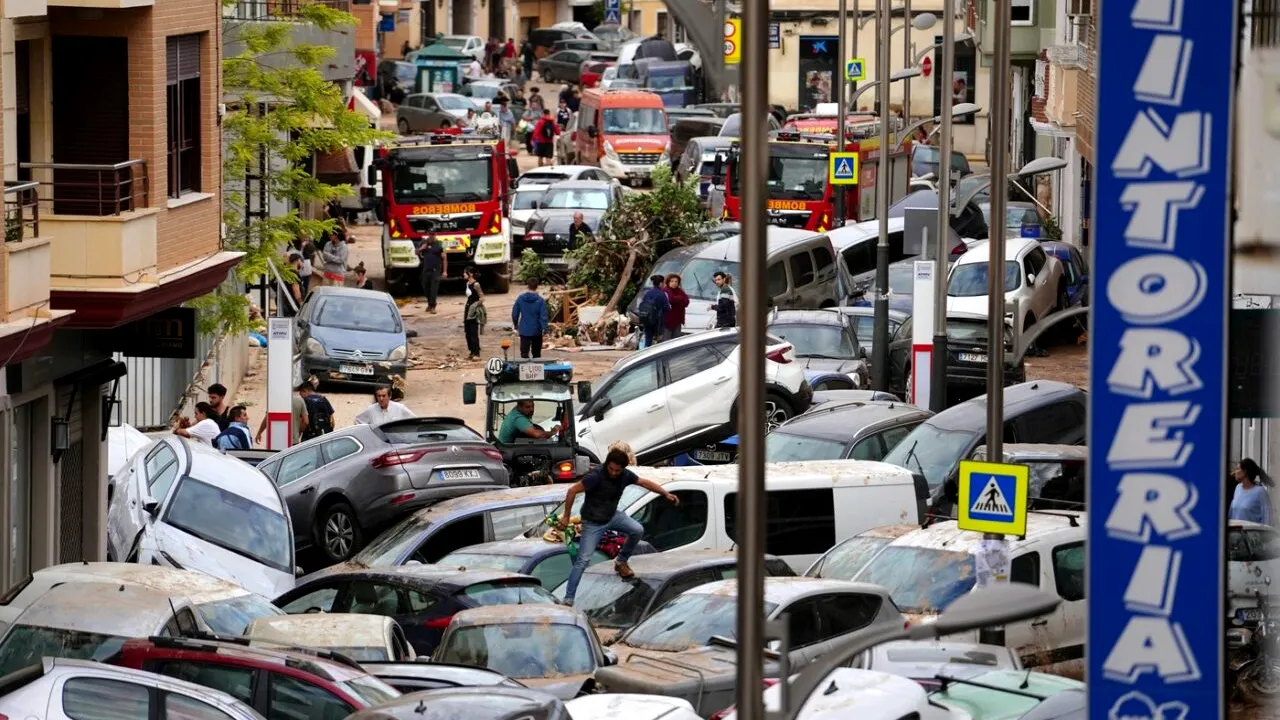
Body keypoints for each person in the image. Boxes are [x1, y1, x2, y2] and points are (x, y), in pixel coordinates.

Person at [558, 448, 680, 605]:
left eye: (618, 470)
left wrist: (665, 493)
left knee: (637, 530)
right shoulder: (596, 476)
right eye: (611, 469)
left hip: (612, 516)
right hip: (593, 522)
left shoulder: (625, 475)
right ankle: (568, 598)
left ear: (623, 468)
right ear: (607, 464)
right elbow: (572, 490)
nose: (614, 473)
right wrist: (567, 516)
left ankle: (621, 561)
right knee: (583, 560)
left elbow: (643, 482)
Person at [512, 278, 549, 359]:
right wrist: (545, 330)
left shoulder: (520, 298)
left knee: (524, 354)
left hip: (524, 331)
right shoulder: (540, 300)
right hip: (537, 331)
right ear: (537, 287)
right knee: (536, 355)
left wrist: (516, 326)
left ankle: (524, 370)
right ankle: (536, 371)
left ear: (527, 286)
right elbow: (544, 317)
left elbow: (515, 314)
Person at [497, 399, 561, 444]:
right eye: (527, 407)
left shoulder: (521, 412)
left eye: (532, 406)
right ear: (519, 407)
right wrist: (553, 432)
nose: (531, 409)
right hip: (508, 450)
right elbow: (537, 434)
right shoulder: (518, 418)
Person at [1230, 458, 1273, 525]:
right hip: (1236, 534)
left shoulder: (1260, 492)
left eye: (1238, 469)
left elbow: (1268, 519)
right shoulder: (1238, 488)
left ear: (1245, 471)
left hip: (1252, 534)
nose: (1235, 472)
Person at [636, 275, 671, 349]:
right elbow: (666, 307)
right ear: (661, 283)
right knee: (658, 340)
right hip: (658, 321)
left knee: (647, 339)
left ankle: (645, 352)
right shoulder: (662, 294)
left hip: (647, 319)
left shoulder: (648, 293)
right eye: (663, 283)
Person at [417, 234, 446, 313]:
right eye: (430, 234)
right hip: (426, 270)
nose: (432, 236)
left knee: (434, 289)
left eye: (433, 234)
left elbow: (444, 258)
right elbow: (416, 252)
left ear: (435, 235)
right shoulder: (424, 242)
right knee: (425, 288)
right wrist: (422, 248)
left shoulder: (439, 244)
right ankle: (430, 304)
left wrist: (444, 271)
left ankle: (433, 306)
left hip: (436, 270)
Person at [463, 266, 486, 360]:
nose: (463, 274)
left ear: (470, 274)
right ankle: (471, 351)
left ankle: (476, 353)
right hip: (467, 309)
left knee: (473, 332)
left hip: (474, 311)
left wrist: (475, 306)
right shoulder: (467, 284)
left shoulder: (476, 285)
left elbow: (482, 298)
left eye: (465, 273)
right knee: (467, 331)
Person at [662, 273, 689, 341]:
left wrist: (678, 300)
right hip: (667, 321)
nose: (674, 283)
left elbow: (686, 301)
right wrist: (680, 299)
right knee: (666, 341)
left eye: (676, 281)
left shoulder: (680, 290)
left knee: (676, 340)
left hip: (678, 320)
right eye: (672, 281)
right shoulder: (665, 290)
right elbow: (671, 299)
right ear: (668, 282)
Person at [280, 252, 304, 317]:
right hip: (292, 305)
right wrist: (301, 303)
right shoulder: (293, 274)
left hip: (286, 304)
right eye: (302, 261)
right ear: (298, 260)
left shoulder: (287, 272)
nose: (302, 263)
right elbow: (296, 290)